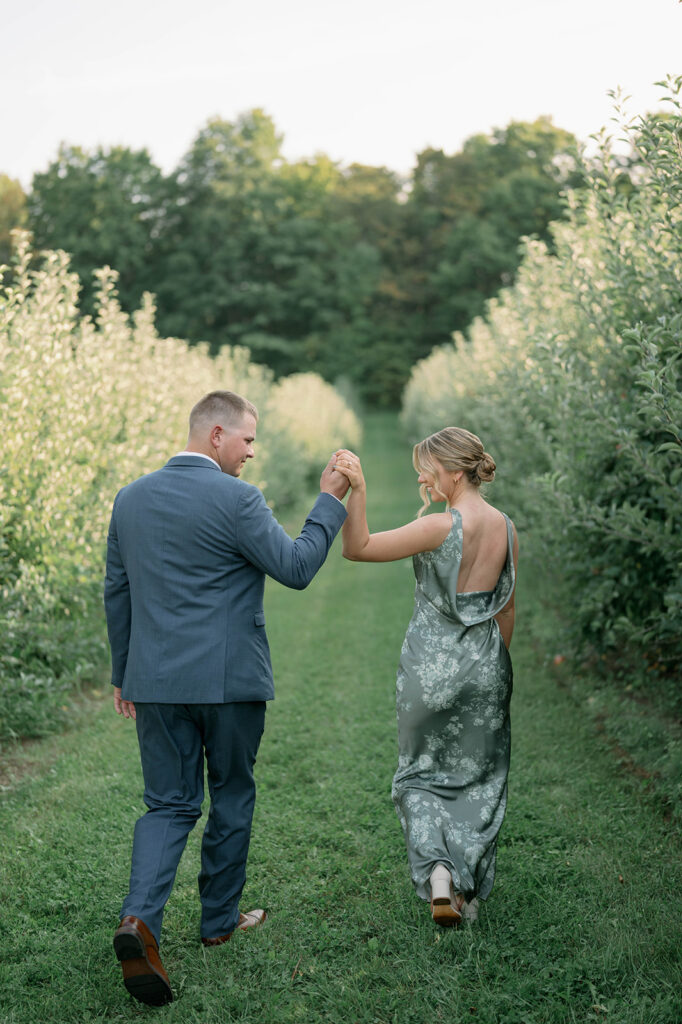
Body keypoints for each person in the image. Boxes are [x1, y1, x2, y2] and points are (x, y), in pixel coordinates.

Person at [104, 390, 349, 1005]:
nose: (250, 453)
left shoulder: (129, 498)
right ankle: (218, 924)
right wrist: (329, 500)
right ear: (216, 434)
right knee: (231, 793)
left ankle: (139, 919)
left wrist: (124, 672)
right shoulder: (238, 498)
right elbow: (296, 567)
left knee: (168, 805)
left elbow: (117, 589)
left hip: (155, 683)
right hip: (229, 682)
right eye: (247, 440)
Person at [334, 427, 518, 927]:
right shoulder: (506, 528)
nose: (422, 478)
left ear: (454, 472)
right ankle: (466, 888)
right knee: (481, 779)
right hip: (487, 668)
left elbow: (357, 547)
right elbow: (506, 610)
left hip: (428, 671)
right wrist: (491, 670)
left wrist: (358, 490)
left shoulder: (439, 527)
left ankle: (438, 872)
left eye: (428, 470)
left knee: (420, 775)